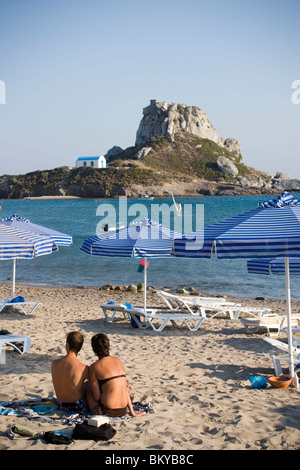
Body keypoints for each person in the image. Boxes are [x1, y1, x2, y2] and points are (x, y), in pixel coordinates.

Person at [89, 333, 146, 418]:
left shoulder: (94, 367)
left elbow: (97, 397)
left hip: (107, 411)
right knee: (121, 386)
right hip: (123, 410)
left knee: (87, 387)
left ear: (94, 350)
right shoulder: (119, 361)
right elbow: (124, 389)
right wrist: (132, 412)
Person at [51, 331, 98, 414]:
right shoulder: (83, 368)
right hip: (77, 406)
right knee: (88, 385)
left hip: (62, 404)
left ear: (67, 345)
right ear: (80, 347)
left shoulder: (54, 364)